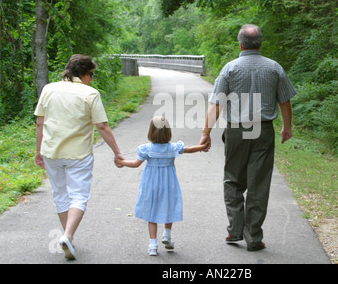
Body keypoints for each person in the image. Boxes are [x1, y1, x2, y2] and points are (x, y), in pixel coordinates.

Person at [199, 24, 297, 251]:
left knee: (233, 179)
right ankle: (253, 238)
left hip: (237, 130)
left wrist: (206, 133)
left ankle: (235, 230)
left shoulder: (229, 69)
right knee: (258, 183)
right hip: (263, 130)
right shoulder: (274, 68)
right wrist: (287, 127)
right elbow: (285, 101)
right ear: (259, 43)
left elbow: (217, 103)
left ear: (240, 43)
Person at [34, 54, 124, 260]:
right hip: (78, 154)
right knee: (79, 196)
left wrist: (38, 152)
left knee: (60, 195)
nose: (92, 79)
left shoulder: (48, 89)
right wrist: (117, 153)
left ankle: (69, 239)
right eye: (91, 74)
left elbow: (40, 123)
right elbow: (102, 126)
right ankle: (67, 235)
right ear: (83, 73)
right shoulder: (90, 93)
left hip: (51, 153)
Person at [115, 116, 209, 256]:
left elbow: (135, 164)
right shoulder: (173, 148)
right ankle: (167, 235)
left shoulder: (146, 149)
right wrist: (203, 146)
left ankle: (153, 245)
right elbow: (190, 149)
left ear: (151, 132)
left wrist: (121, 162)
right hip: (168, 183)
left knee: (152, 213)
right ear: (168, 132)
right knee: (168, 206)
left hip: (151, 184)